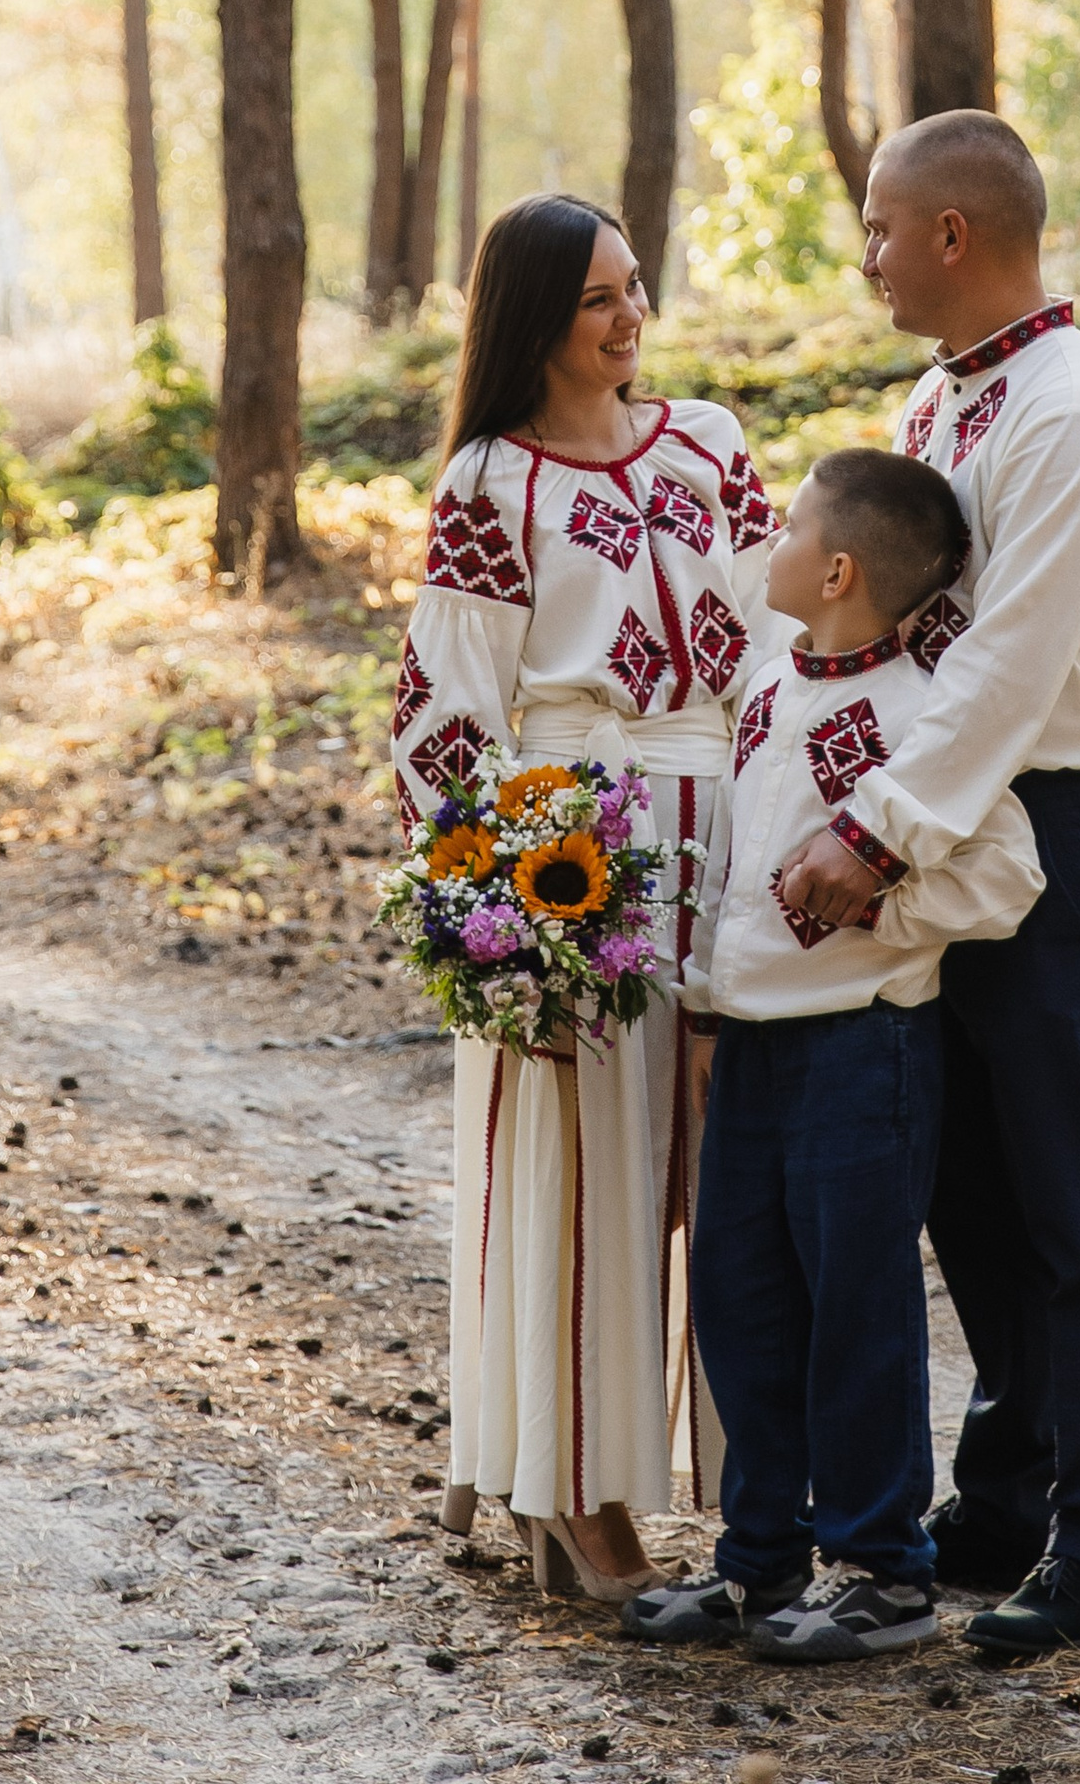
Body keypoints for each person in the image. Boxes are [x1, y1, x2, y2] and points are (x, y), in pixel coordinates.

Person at [774, 110, 1080, 1656]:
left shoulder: (1072, 414)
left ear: (953, 233)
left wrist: (874, 833)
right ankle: (1006, 1499)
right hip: (951, 829)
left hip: (1058, 829)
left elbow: (1010, 665)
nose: (867, 251)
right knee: (970, 1195)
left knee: (1077, 1200)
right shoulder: (940, 399)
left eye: (882, 225)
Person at [389, 193, 774, 1603]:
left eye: (636, 287)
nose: (631, 317)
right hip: (579, 863)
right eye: (600, 297)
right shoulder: (492, 482)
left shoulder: (710, 444)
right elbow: (442, 718)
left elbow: (782, 642)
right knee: (584, 1179)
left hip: (726, 835)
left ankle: (757, 1500)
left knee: (721, 1173)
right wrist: (512, 926)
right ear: (536, 319)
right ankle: (575, 1496)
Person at [628, 448, 1042, 1669]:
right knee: (741, 1302)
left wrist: (880, 906)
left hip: (863, 1048)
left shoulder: (917, 716)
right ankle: (758, 1558)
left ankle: (882, 1570)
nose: (774, 537)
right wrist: (709, 1011)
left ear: (839, 569)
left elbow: (1008, 875)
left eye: (793, 525)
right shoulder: (769, 681)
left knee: (854, 1308)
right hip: (753, 1046)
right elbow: (732, 867)